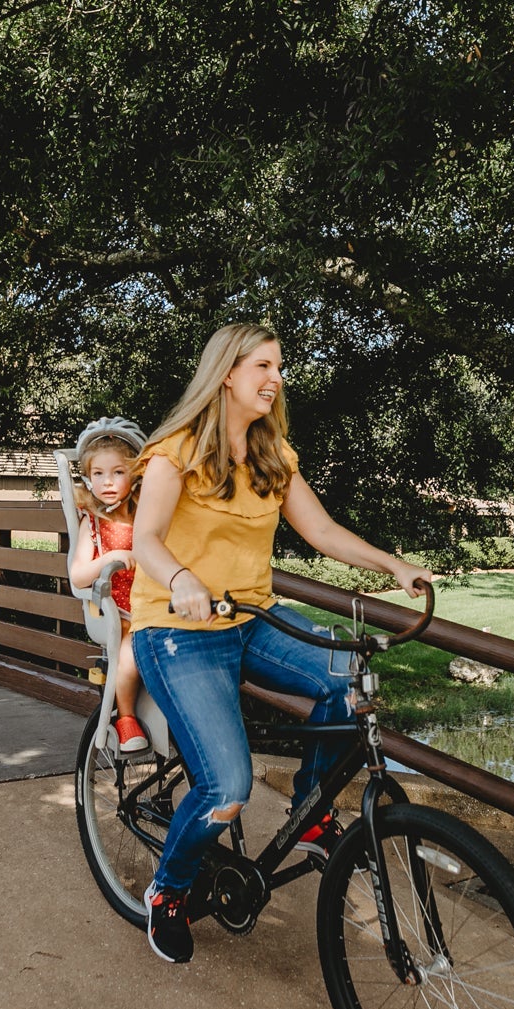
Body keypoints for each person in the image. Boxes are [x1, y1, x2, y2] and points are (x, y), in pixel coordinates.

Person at [129, 323, 434, 964]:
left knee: (347, 680)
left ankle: (310, 810)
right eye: (262, 365)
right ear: (227, 374)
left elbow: (321, 530)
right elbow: (146, 539)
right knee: (227, 786)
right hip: (181, 634)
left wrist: (393, 565)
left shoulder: (274, 457)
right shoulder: (174, 453)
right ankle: (168, 889)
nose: (276, 378)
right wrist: (182, 579)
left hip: (251, 619)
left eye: (278, 367)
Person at [70, 417, 150, 754]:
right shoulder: (95, 522)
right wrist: (111, 556)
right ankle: (126, 716)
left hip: (154, 602)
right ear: (88, 479)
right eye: (98, 474)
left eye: (118, 472)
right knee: (129, 656)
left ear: (134, 474)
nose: (107, 482)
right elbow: (78, 575)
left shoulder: (148, 513)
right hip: (120, 612)